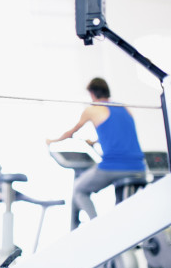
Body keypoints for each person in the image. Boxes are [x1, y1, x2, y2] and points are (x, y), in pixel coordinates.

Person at [46, 77, 146, 229]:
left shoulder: (93, 109)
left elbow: (70, 132)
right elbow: (120, 134)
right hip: (139, 167)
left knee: (78, 189)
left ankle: (97, 228)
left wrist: (52, 141)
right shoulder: (124, 108)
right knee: (121, 211)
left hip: (114, 167)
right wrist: (95, 142)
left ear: (92, 94)